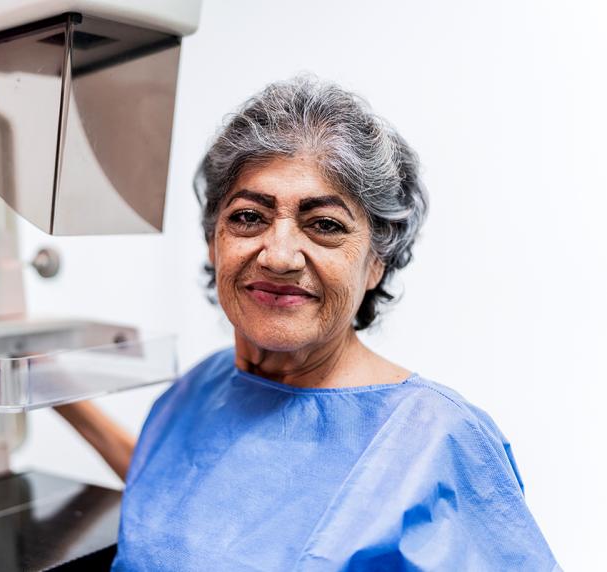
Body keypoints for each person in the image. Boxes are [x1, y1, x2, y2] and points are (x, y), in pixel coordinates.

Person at [57, 76, 559, 570]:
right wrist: (60, 392)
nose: (278, 256)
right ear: (214, 242)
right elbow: (178, 508)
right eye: (249, 217)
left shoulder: (436, 439)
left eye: (324, 225)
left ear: (376, 262)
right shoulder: (203, 386)